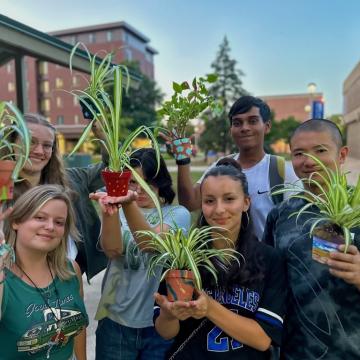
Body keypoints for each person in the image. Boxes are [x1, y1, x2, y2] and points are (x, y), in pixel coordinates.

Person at [154, 158, 286, 359]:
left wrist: (209, 308)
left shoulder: (271, 259)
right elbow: (166, 332)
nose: (219, 210)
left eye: (229, 199)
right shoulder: (181, 256)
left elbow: (262, 339)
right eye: (209, 201)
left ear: (246, 203)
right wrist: (169, 314)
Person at [263, 119, 360, 359]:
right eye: (299, 153)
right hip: (295, 351)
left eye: (320, 151)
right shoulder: (281, 214)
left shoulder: (356, 207)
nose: (309, 161)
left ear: (342, 154)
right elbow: (268, 280)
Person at [91, 148, 191, 360]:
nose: (139, 189)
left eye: (147, 181)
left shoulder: (177, 214)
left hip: (157, 322)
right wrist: (110, 212)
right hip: (115, 320)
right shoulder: (117, 210)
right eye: (133, 182)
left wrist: (127, 202)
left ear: (161, 181)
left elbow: (149, 243)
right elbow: (113, 250)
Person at [174, 95, 299, 241]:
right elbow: (190, 202)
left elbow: (298, 226)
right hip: (225, 259)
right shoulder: (221, 166)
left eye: (252, 121)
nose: (245, 128)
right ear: (231, 129)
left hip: (266, 260)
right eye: (237, 123)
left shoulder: (281, 171)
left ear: (267, 126)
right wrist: (182, 159)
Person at [9, 113, 107, 280]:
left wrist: (104, 137)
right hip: (18, 284)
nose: (39, 151)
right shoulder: (4, 189)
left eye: (47, 145)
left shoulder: (72, 180)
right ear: (12, 144)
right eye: (30, 142)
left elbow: (113, 169)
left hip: (67, 278)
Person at [0, 185, 88, 359]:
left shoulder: (70, 270)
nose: (50, 227)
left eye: (59, 222)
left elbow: (78, 328)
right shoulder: (4, 279)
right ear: (16, 221)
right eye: (40, 217)